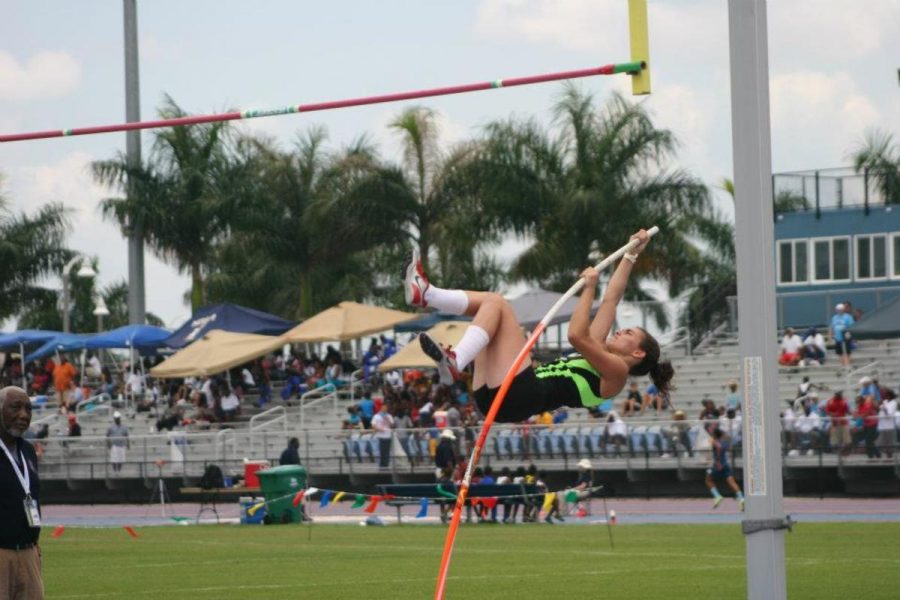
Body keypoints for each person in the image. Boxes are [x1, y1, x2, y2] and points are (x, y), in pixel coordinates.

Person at [406, 230, 673, 424]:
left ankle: (453, 356)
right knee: (489, 306)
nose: (620, 330)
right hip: (496, 400)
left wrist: (589, 288)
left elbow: (576, 336)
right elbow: (612, 299)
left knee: (498, 303)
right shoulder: (601, 350)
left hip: (523, 394)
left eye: (629, 333)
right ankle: (426, 296)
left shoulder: (616, 372)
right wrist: (630, 255)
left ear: (638, 353)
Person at [0, 386, 44, 599]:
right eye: (15, 408)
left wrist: (35, 545)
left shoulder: (28, 451)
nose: (23, 415)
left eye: (28, 409)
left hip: (28, 553)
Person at [705, 427, 744, 511]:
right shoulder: (725, 441)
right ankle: (741, 498)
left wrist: (718, 460)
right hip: (726, 464)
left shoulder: (714, 441)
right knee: (731, 482)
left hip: (718, 464)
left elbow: (718, 447)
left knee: (708, 480)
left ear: (715, 435)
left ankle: (717, 496)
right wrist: (724, 434)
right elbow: (728, 442)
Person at [825, 391, 851, 455]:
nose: (840, 395)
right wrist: (833, 414)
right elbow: (827, 411)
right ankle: (839, 452)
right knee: (836, 440)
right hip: (835, 423)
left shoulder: (844, 400)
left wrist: (853, 413)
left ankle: (845, 452)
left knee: (847, 439)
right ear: (836, 394)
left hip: (844, 422)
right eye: (839, 394)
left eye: (841, 394)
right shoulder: (830, 401)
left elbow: (848, 410)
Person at [830, 303, 855, 368]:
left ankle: (847, 365)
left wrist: (851, 337)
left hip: (845, 337)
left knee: (847, 352)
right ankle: (843, 365)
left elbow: (851, 327)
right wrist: (831, 337)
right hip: (838, 338)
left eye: (840, 309)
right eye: (838, 310)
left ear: (843, 310)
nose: (839, 311)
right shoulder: (834, 317)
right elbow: (832, 327)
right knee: (839, 353)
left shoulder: (848, 317)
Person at [370, 403, 394, 469]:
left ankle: (386, 465)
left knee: (387, 451)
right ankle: (381, 465)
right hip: (380, 436)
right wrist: (378, 429)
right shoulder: (376, 416)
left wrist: (387, 420)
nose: (384, 409)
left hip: (388, 436)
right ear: (381, 408)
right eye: (383, 407)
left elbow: (392, 425)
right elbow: (373, 425)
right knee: (381, 451)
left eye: (386, 407)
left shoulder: (389, 416)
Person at [876, 390, 897, 459]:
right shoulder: (884, 402)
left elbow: (889, 414)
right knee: (881, 443)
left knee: (890, 443)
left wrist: (884, 407)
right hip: (882, 426)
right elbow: (878, 409)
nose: (885, 396)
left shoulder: (893, 403)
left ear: (890, 396)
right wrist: (878, 404)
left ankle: (889, 457)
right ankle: (887, 456)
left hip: (889, 426)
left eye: (886, 395)